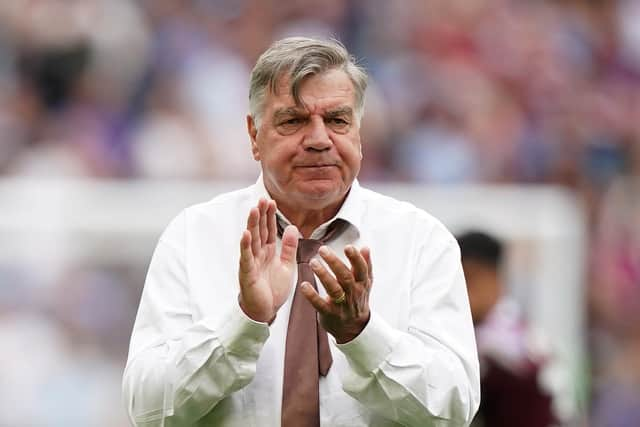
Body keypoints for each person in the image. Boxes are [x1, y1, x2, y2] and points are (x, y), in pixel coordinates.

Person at [123, 36, 480, 426]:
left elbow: (454, 408)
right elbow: (147, 408)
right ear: (253, 136)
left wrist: (362, 334)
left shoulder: (421, 241)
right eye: (293, 120)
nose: (318, 139)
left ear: (359, 133)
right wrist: (243, 321)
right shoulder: (193, 236)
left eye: (337, 120)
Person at [457, 231, 557, 427]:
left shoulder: (506, 351)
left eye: (470, 279)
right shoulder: (518, 333)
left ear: (495, 279)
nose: (463, 291)